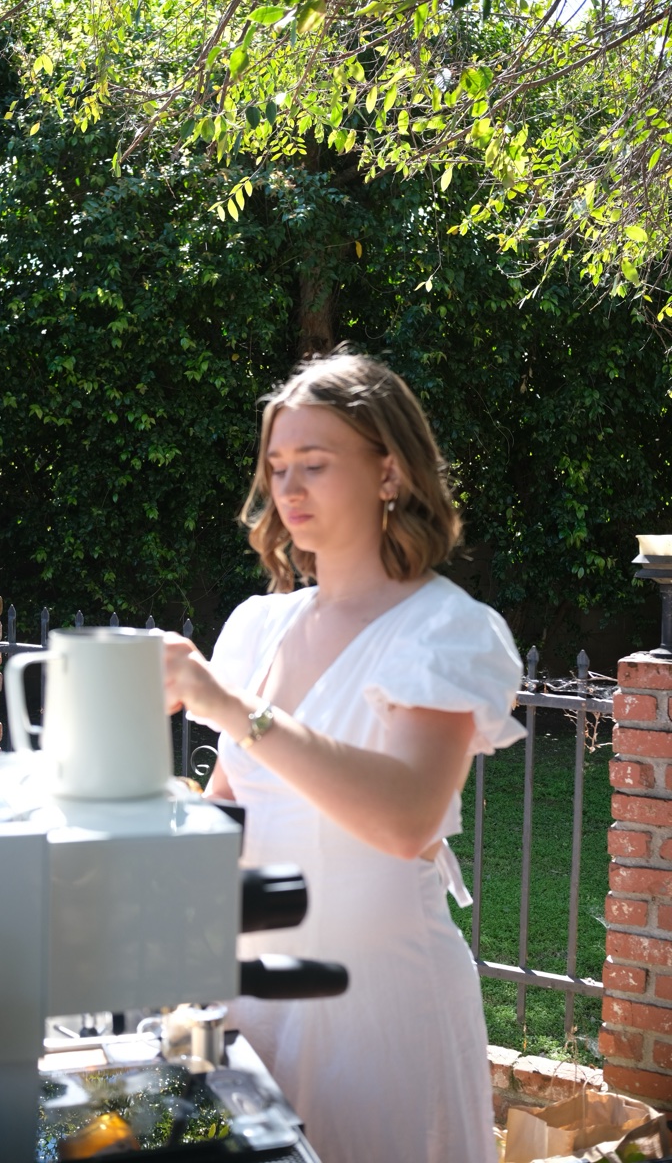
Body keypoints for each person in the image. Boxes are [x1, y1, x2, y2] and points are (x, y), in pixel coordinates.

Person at [163, 352, 525, 1163]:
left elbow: (406, 819)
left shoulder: (446, 631)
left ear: (389, 471)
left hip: (380, 1014)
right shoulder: (255, 627)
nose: (289, 489)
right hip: (252, 997)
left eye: (316, 465)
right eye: (278, 466)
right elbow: (229, 811)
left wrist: (231, 707)